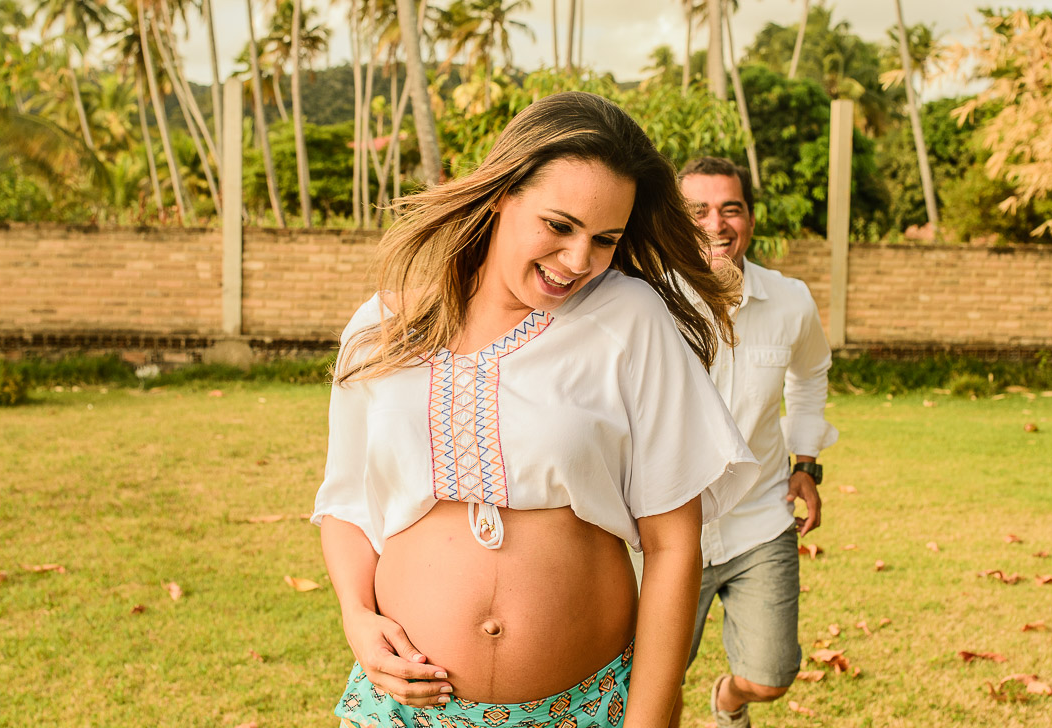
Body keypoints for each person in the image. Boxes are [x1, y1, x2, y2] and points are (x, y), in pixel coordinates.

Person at [311, 93, 760, 728]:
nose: (579, 262)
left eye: (605, 239)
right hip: (405, 707)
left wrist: (650, 721)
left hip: (585, 706)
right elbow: (347, 505)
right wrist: (357, 618)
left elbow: (672, 544)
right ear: (502, 192)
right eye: (559, 225)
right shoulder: (382, 327)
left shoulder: (629, 319)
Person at [670, 157, 839, 728]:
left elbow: (811, 373)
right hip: (667, 533)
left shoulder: (790, 301)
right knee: (653, 681)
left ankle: (729, 700)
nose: (715, 225)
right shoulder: (646, 303)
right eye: (697, 211)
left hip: (760, 520)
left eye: (730, 209)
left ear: (749, 219)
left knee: (770, 676)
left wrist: (806, 462)